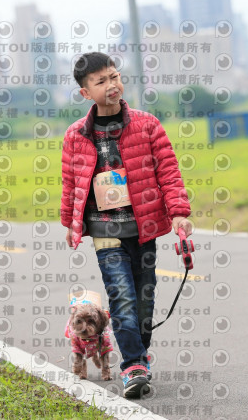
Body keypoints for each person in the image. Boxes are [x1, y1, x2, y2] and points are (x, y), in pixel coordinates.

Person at [61, 52, 193, 398]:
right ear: (85, 92)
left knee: (144, 301)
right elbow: (70, 183)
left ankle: (139, 356)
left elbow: (169, 171)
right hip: (105, 231)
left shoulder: (147, 125)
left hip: (143, 228)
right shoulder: (75, 135)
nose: (112, 85)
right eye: (101, 81)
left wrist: (179, 212)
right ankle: (133, 366)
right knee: (122, 297)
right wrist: (69, 223)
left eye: (114, 77)